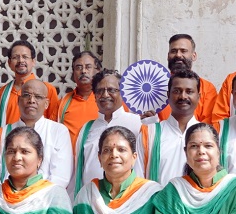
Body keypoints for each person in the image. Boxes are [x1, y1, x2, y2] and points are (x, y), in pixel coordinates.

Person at [72, 69, 142, 197]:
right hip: (91, 198)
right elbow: (77, 171)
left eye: (111, 90)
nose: (105, 95)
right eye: (99, 91)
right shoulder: (87, 128)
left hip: (128, 198)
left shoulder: (138, 123)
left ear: (122, 93)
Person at [0, 79, 72, 187]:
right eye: (26, 95)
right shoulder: (3, 133)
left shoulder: (58, 131)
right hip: (6, 198)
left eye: (38, 97)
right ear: (18, 100)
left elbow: (60, 176)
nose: (31, 100)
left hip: (45, 199)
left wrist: (35, 197)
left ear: (46, 104)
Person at [135, 69, 201, 185]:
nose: (183, 96)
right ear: (168, 95)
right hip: (155, 202)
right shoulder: (150, 133)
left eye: (189, 91)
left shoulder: (207, 135)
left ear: (198, 97)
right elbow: (137, 180)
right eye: (177, 91)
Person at [0, 40, 60, 130]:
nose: (21, 60)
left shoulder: (47, 89)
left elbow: (53, 125)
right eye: (16, 57)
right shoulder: (3, 92)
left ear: (33, 61)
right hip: (7, 142)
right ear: (9, 63)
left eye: (25, 57)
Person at [153, 34, 218, 122]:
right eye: (174, 51)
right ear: (168, 56)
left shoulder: (207, 88)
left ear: (193, 55)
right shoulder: (154, 86)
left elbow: (209, 124)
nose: (178, 55)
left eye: (183, 51)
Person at [55, 51, 102, 147]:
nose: (83, 71)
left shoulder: (106, 100)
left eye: (88, 67)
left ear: (97, 71)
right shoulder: (62, 103)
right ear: (73, 74)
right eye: (79, 67)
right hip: (69, 160)